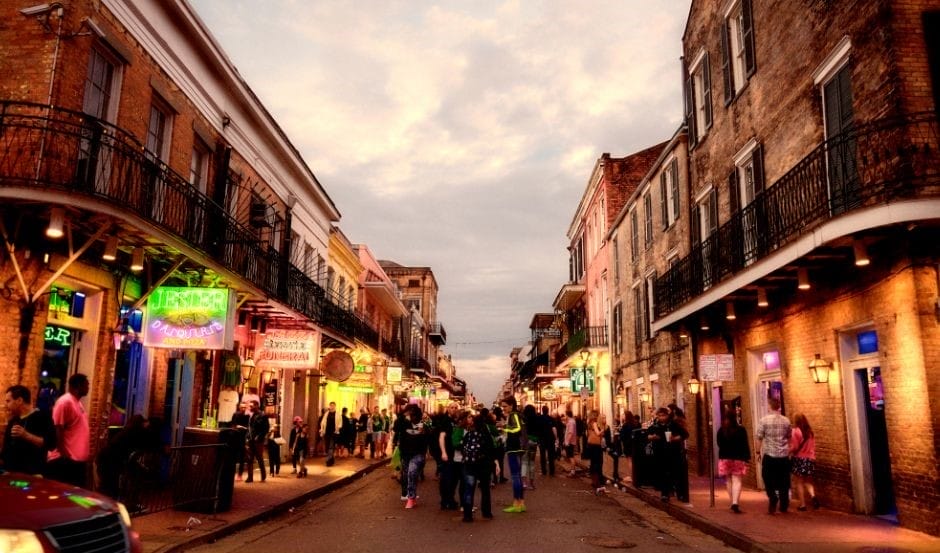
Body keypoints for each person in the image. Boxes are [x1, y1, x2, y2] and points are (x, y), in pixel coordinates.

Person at [47, 373, 90, 488]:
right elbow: (58, 428)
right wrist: (64, 454)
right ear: (78, 386)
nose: (88, 387)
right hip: (67, 462)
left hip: (76, 462)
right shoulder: (65, 402)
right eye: (86, 385)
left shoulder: (78, 402)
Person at [2, 384, 55, 476]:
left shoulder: (42, 418)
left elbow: (51, 444)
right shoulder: (13, 421)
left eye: (8, 401)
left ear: (19, 400)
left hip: (33, 475)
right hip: (11, 474)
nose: (6, 405)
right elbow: (6, 450)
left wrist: (26, 435)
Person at [755, 397, 792, 514]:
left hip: (770, 455)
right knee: (784, 480)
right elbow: (789, 437)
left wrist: (757, 452)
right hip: (783, 456)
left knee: (767, 477)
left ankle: (772, 496)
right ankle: (784, 504)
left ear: (770, 406)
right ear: (779, 406)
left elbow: (759, 438)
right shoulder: (786, 421)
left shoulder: (764, 421)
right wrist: (789, 451)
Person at [647, 406, 690, 502]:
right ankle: (665, 494)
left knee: (676, 473)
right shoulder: (655, 426)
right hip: (660, 453)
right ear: (657, 416)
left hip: (673, 452)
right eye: (660, 415)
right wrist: (653, 437)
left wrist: (674, 438)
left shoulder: (673, 425)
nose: (662, 417)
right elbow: (648, 435)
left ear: (667, 415)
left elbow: (685, 434)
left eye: (664, 415)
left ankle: (680, 494)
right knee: (663, 474)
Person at [460, 412, 495, 522]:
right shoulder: (485, 434)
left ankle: (467, 515)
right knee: (485, 489)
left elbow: (463, 447)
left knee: (469, 489)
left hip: (470, 465)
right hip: (483, 465)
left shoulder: (469, 434)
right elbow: (491, 449)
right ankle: (486, 512)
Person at [717, 411, 751, 513]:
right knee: (737, 480)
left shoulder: (721, 430)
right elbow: (745, 444)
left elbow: (719, 444)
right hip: (738, 458)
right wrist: (747, 457)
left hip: (725, 457)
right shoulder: (741, 430)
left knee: (728, 480)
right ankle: (735, 502)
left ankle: (732, 501)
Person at [399, 404, 429, 509]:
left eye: (413, 414)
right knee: (407, 475)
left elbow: (427, 440)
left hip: (418, 454)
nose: (412, 417)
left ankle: (411, 498)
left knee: (412, 473)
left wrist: (423, 433)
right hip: (406, 453)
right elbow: (397, 428)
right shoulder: (404, 424)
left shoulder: (423, 426)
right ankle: (412, 495)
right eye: (409, 414)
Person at [500, 396, 526, 513]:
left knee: (515, 477)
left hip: (513, 449)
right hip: (518, 448)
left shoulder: (513, 415)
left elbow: (517, 429)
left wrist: (504, 427)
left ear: (511, 405)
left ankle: (517, 503)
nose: (503, 409)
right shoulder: (518, 414)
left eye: (505, 406)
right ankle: (521, 503)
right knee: (518, 477)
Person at [790, 413, 819, 511]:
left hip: (799, 459)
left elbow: (795, 447)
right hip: (810, 459)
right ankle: (813, 496)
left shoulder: (795, 431)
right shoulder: (810, 432)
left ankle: (802, 505)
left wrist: (788, 451)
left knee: (799, 482)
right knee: (807, 481)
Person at [244, 400, 269, 483]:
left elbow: (266, 429)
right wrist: (247, 437)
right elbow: (250, 428)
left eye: (251, 406)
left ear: (257, 406)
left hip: (258, 441)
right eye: (250, 406)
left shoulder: (263, 415)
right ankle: (250, 477)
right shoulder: (252, 416)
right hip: (251, 440)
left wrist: (259, 437)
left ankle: (263, 476)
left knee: (259, 458)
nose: (250, 408)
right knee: (249, 459)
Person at [585, 411, 607, 494]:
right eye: (597, 415)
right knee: (597, 462)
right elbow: (598, 433)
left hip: (591, 444)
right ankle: (596, 481)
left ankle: (594, 480)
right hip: (595, 445)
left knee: (594, 462)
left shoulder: (589, 423)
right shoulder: (594, 423)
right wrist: (603, 429)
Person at [521, 404, 539, 490]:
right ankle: (531, 483)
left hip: (526, 441)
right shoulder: (536, 418)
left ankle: (524, 483)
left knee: (524, 462)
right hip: (534, 442)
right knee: (531, 463)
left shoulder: (523, 419)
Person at [230, 401, 250, 480]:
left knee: (242, 457)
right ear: (239, 407)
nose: (243, 409)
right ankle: (232, 473)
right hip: (235, 437)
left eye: (244, 407)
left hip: (243, 438)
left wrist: (242, 427)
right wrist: (237, 427)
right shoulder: (235, 414)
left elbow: (248, 427)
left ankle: (240, 474)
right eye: (242, 407)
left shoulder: (247, 416)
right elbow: (233, 425)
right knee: (233, 456)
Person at [618, 411, 640, 484]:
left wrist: (620, 432)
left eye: (623, 414)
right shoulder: (634, 423)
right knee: (633, 461)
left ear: (626, 416)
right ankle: (634, 476)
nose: (622, 416)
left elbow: (622, 436)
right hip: (634, 444)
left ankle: (632, 477)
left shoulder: (626, 425)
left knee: (629, 460)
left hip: (627, 444)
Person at [319, 401, 342, 466]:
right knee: (327, 446)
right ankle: (331, 459)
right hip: (327, 432)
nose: (332, 407)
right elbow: (323, 422)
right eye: (331, 405)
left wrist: (337, 429)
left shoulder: (338, 414)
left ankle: (328, 460)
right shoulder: (327, 414)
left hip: (334, 432)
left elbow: (340, 423)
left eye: (333, 405)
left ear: (335, 406)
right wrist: (322, 429)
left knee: (331, 447)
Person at [563, 410, 578, 475]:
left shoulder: (571, 422)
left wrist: (567, 442)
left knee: (571, 456)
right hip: (570, 441)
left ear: (567, 415)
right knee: (571, 456)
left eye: (565, 415)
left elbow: (570, 432)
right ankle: (572, 469)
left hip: (570, 442)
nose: (565, 416)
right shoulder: (571, 421)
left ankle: (573, 471)